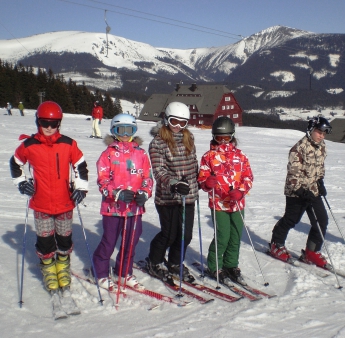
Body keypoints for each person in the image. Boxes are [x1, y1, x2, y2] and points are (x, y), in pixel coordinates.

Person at [9, 101, 88, 292]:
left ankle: (62, 266)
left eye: (54, 124)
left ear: (59, 124)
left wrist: (81, 188)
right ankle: (49, 268)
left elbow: (80, 165)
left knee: (64, 238)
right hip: (41, 203)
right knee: (45, 240)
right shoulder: (29, 145)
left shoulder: (68, 144)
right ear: (38, 122)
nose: (50, 128)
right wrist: (21, 183)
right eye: (45, 123)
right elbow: (15, 163)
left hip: (65, 202)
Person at [92, 113, 153, 290]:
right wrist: (116, 194)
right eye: (121, 130)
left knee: (130, 241)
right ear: (114, 131)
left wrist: (145, 193)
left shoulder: (141, 154)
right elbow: (102, 181)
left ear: (134, 131)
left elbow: (147, 178)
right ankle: (101, 272)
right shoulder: (107, 154)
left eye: (129, 129)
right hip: (113, 208)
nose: (125, 134)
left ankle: (123, 272)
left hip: (134, 208)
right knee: (109, 240)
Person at [145, 101, 199, 283]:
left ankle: (175, 262)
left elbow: (194, 164)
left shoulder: (188, 138)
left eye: (182, 123)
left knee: (186, 235)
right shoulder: (158, 142)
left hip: (189, 195)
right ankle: (155, 261)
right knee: (169, 234)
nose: (177, 126)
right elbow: (159, 170)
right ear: (166, 119)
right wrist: (174, 183)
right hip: (168, 197)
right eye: (174, 121)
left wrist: (201, 178)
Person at [269, 116, 332, 267]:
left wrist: (320, 181)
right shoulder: (298, 148)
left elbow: (319, 167)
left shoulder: (321, 146)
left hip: (313, 190)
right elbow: (293, 175)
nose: (321, 136)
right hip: (296, 191)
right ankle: (276, 244)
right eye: (319, 132)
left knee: (321, 221)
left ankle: (312, 252)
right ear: (311, 130)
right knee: (291, 219)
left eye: (324, 133)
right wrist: (302, 191)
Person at [198, 116, 253, 285]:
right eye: (218, 138)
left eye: (226, 138)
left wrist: (241, 191)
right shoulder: (209, 156)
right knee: (223, 236)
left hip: (237, 202)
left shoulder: (240, 155)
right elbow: (202, 179)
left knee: (236, 235)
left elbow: (248, 177)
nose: (222, 141)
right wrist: (207, 183)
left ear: (232, 136)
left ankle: (231, 265)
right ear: (214, 137)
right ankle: (214, 266)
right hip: (219, 203)